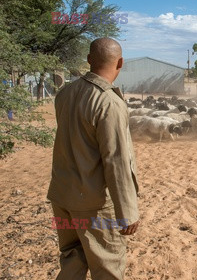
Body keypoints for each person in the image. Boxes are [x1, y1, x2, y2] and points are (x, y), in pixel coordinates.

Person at [47, 37, 140, 280]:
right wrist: (127, 211)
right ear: (120, 62)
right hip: (93, 205)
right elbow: (116, 160)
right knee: (107, 265)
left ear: (88, 60)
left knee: (72, 259)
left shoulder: (65, 94)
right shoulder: (108, 102)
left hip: (63, 196)